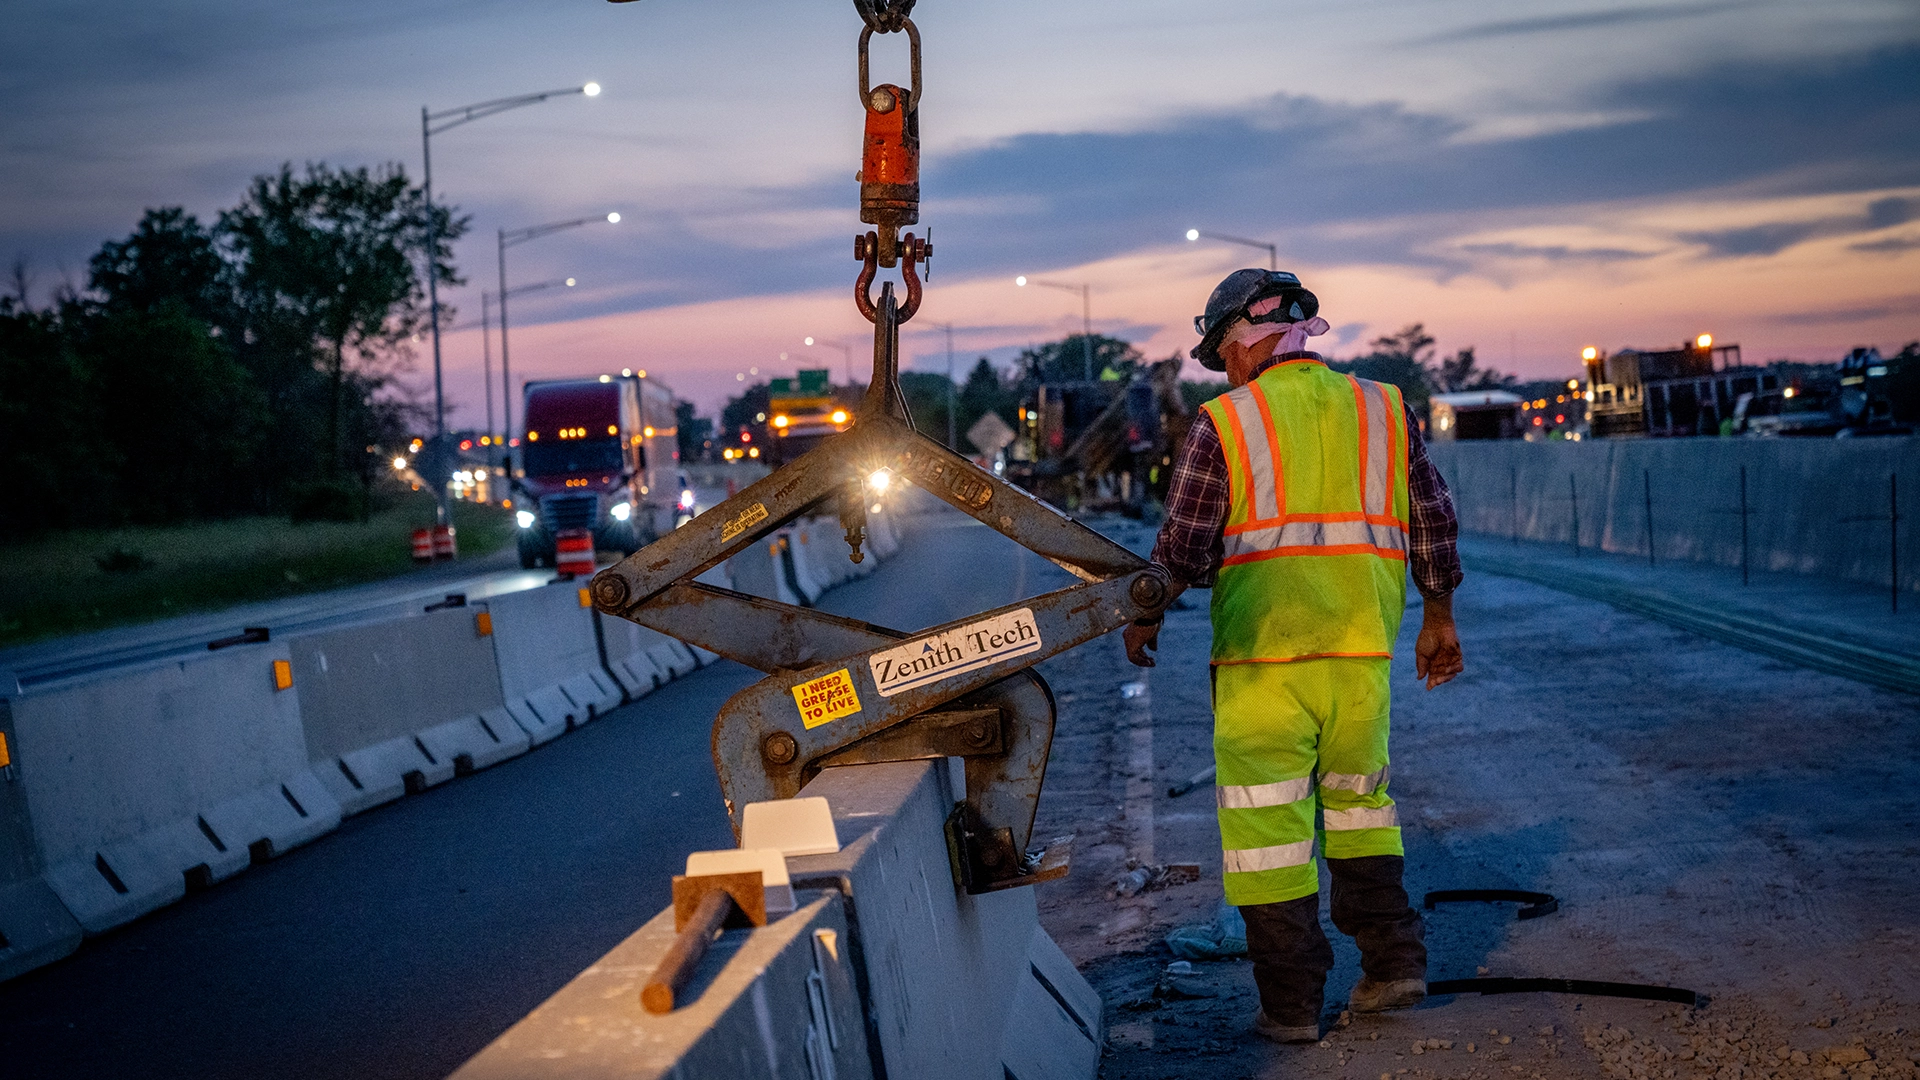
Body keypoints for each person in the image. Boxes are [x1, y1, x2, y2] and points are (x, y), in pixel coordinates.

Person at [1124, 269, 1466, 1044]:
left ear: (1243, 341)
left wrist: (1144, 617)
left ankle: (1290, 1011)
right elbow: (1433, 517)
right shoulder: (1383, 409)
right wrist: (1438, 617)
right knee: (1361, 813)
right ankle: (1393, 966)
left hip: (1261, 671)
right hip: (1361, 662)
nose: (1225, 372)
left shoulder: (1227, 424)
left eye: (1223, 355)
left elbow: (1183, 546)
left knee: (1268, 844)